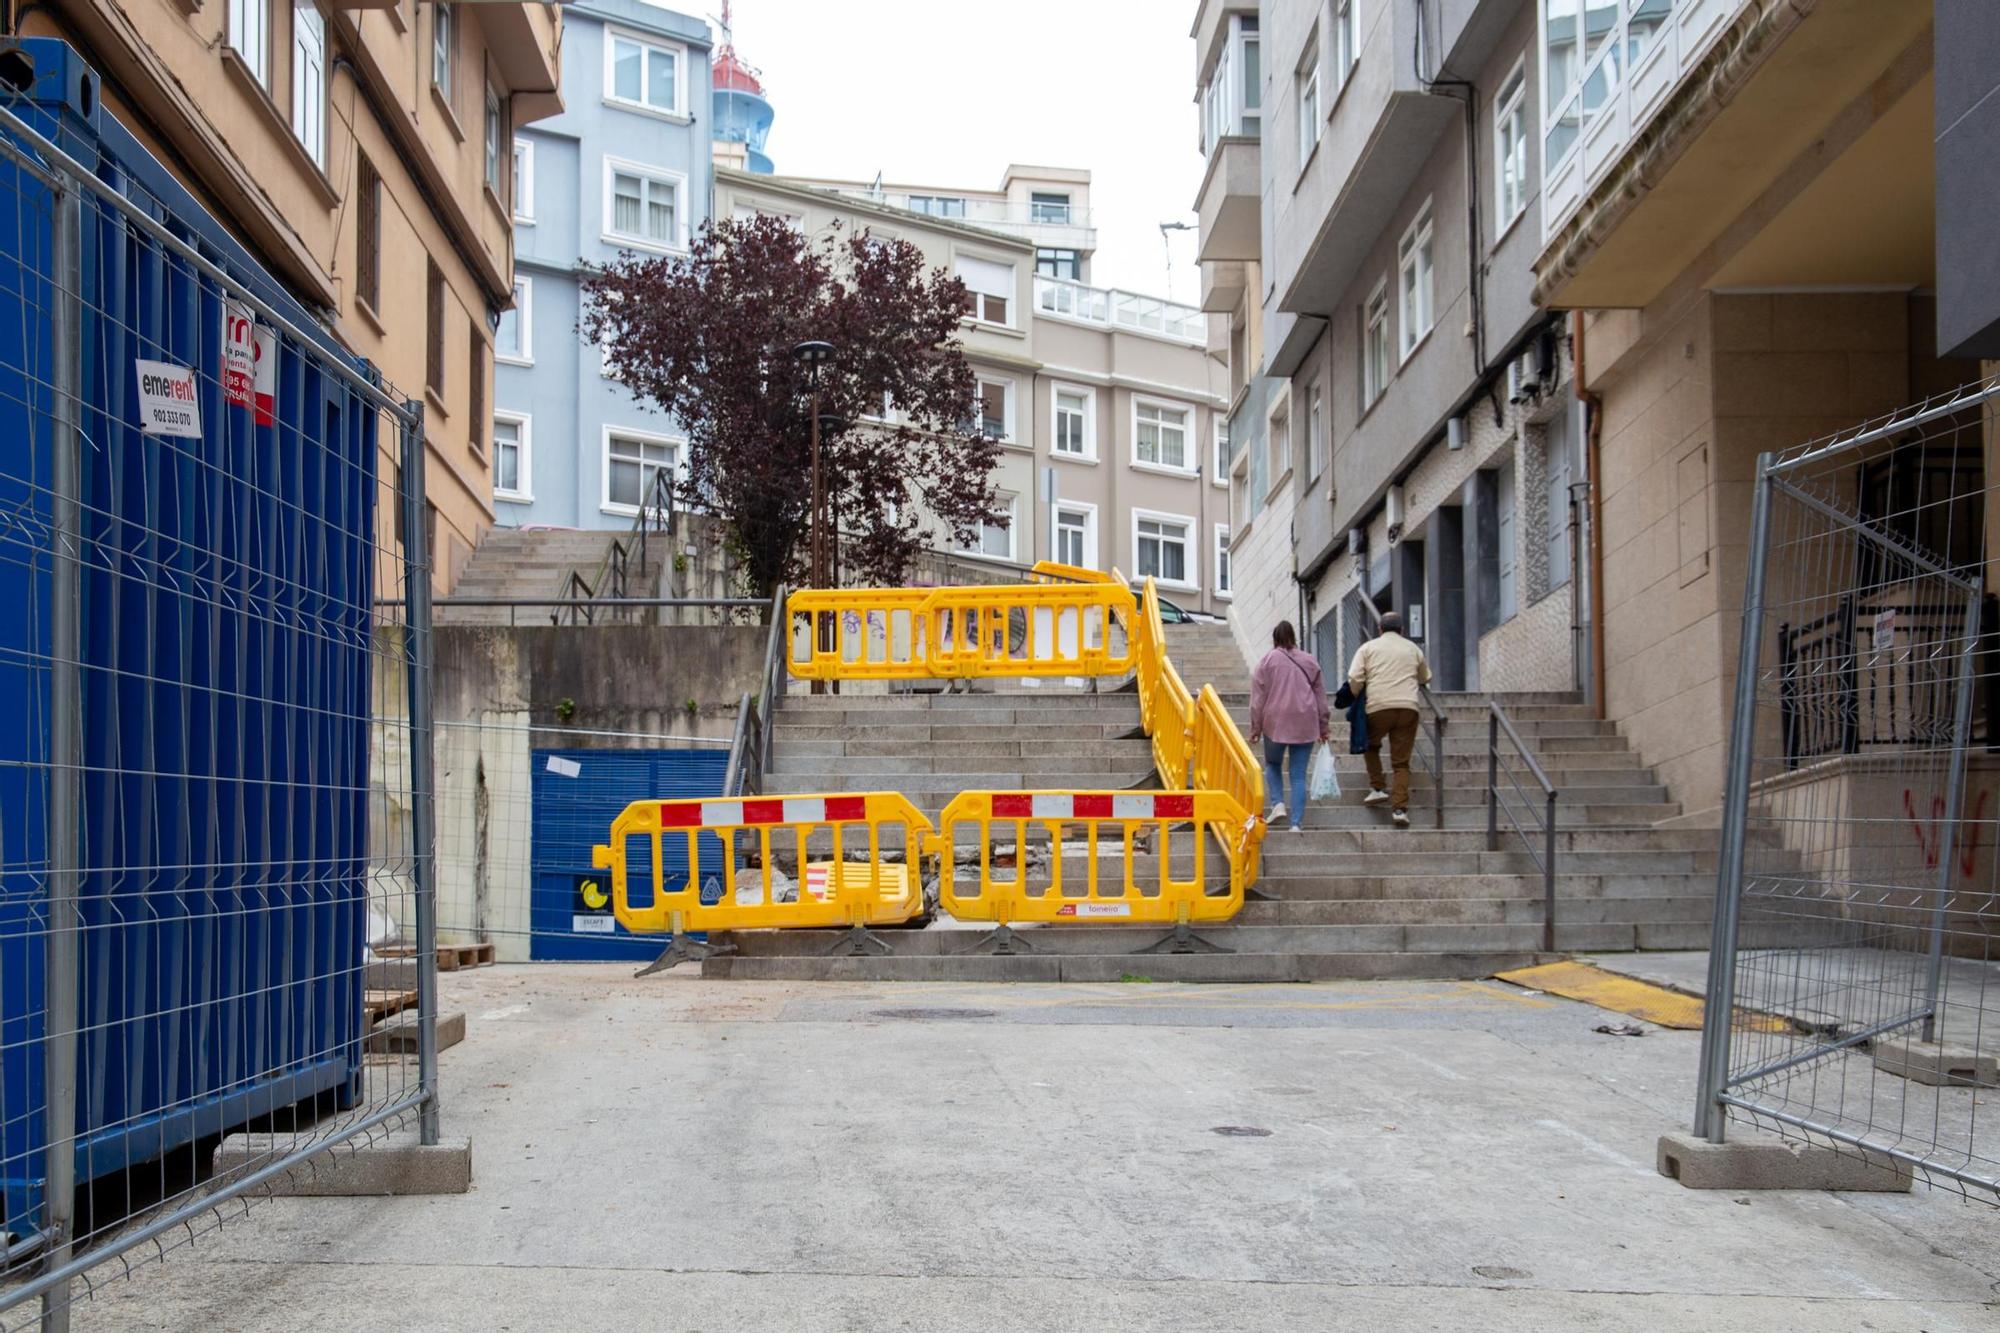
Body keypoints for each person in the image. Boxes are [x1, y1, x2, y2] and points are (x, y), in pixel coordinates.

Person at [1346, 611, 1432, 828]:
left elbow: (1355, 677)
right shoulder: (1413, 648)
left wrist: (1356, 695)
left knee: (1370, 745)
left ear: (1380, 629)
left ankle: (1377, 787)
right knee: (1401, 763)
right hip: (1407, 708)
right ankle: (1400, 810)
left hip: (1378, 707)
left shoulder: (1368, 648)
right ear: (1402, 630)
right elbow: (1425, 677)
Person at [1248, 621, 1330, 834]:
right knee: (1298, 774)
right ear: (1294, 637)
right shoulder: (1310, 660)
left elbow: (1258, 699)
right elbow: (1321, 697)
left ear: (1274, 639)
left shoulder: (1266, 661)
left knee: (1273, 764)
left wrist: (1255, 728)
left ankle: (1278, 804)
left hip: (1275, 722)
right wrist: (1324, 727)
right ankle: (1296, 824)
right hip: (1306, 721)